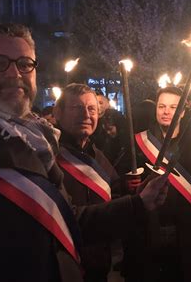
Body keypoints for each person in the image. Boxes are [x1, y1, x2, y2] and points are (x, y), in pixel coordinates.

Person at [0, 23, 168, 281]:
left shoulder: (37, 141)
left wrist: (138, 203)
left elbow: (68, 219)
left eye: (24, 63)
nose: (14, 73)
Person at [126, 86, 191, 282]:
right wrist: (128, 184)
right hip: (148, 231)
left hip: (185, 233)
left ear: (183, 112)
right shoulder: (138, 145)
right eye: (162, 106)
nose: (166, 111)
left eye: (174, 107)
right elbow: (121, 185)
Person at [54, 83, 122, 281]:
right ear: (58, 113)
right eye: (76, 108)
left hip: (100, 265)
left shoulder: (98, 156)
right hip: (66, 268)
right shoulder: (48, 155)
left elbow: (115, 195)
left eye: (91, 108)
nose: (86, 114)